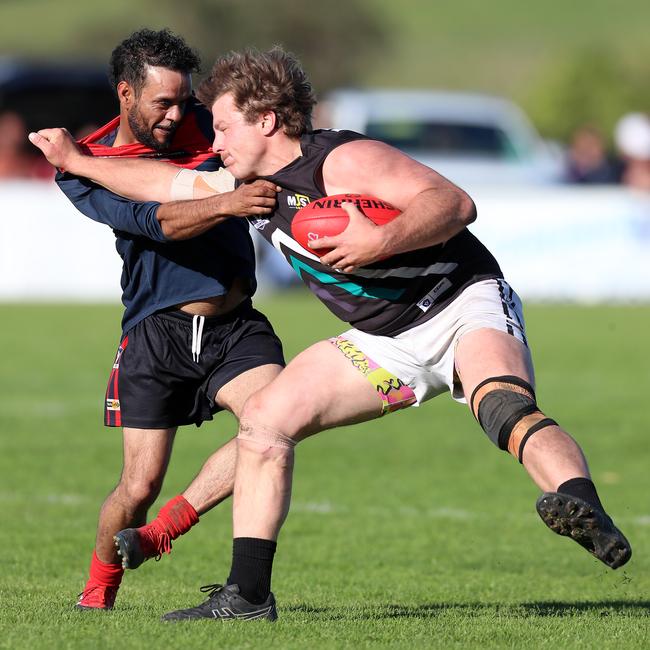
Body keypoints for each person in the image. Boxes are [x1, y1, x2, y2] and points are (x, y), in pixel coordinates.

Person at [31, 47, 632, 623]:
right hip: (383, 342)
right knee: (266, 422)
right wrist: (79, 163)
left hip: (457, 303)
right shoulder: (253, 191)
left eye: (222, 127)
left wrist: (378, 241)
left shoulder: (339, 159)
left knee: (501, 404)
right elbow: (162, 188)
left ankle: (582, 506)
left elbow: (453, 202)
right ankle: (246, 596)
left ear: (266, 120)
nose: (212, 143)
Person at [31, 31, 285, 612]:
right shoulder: (84, 168)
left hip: (235, 326)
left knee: (273, 426)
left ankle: (168, 531)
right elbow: (159, 223)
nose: (178, 115)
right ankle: (98, 591)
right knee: (137, 487)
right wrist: (227, 201)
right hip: (156, 333)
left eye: (184, 100)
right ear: (125, 94)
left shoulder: (209, 119)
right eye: (162, 104)